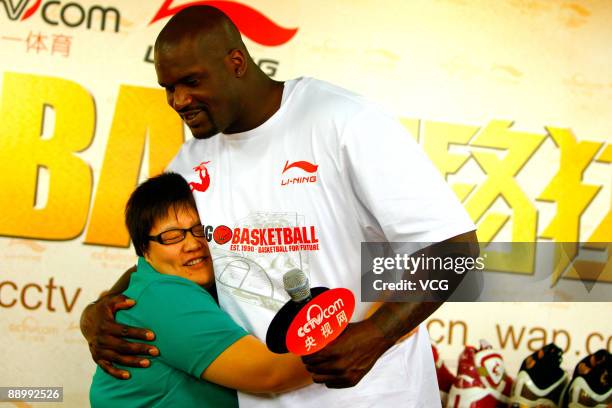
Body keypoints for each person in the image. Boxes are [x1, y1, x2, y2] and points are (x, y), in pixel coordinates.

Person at [81, 5, 479, 407]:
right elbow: (164, 259)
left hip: (376, 396)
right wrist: (100, 310)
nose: (179, 100)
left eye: (191, 81)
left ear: (236, 62)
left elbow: (455, 247)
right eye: (168, 87)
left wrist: (377, 334)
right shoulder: (189, 163)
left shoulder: (343, 121)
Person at [89, 172, 311, 407]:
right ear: (144, 249)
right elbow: (269, 373)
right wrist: (349, 345)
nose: (193, 244)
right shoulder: (166, 295)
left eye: (200, 230)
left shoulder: (158, 283)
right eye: (172, 236)